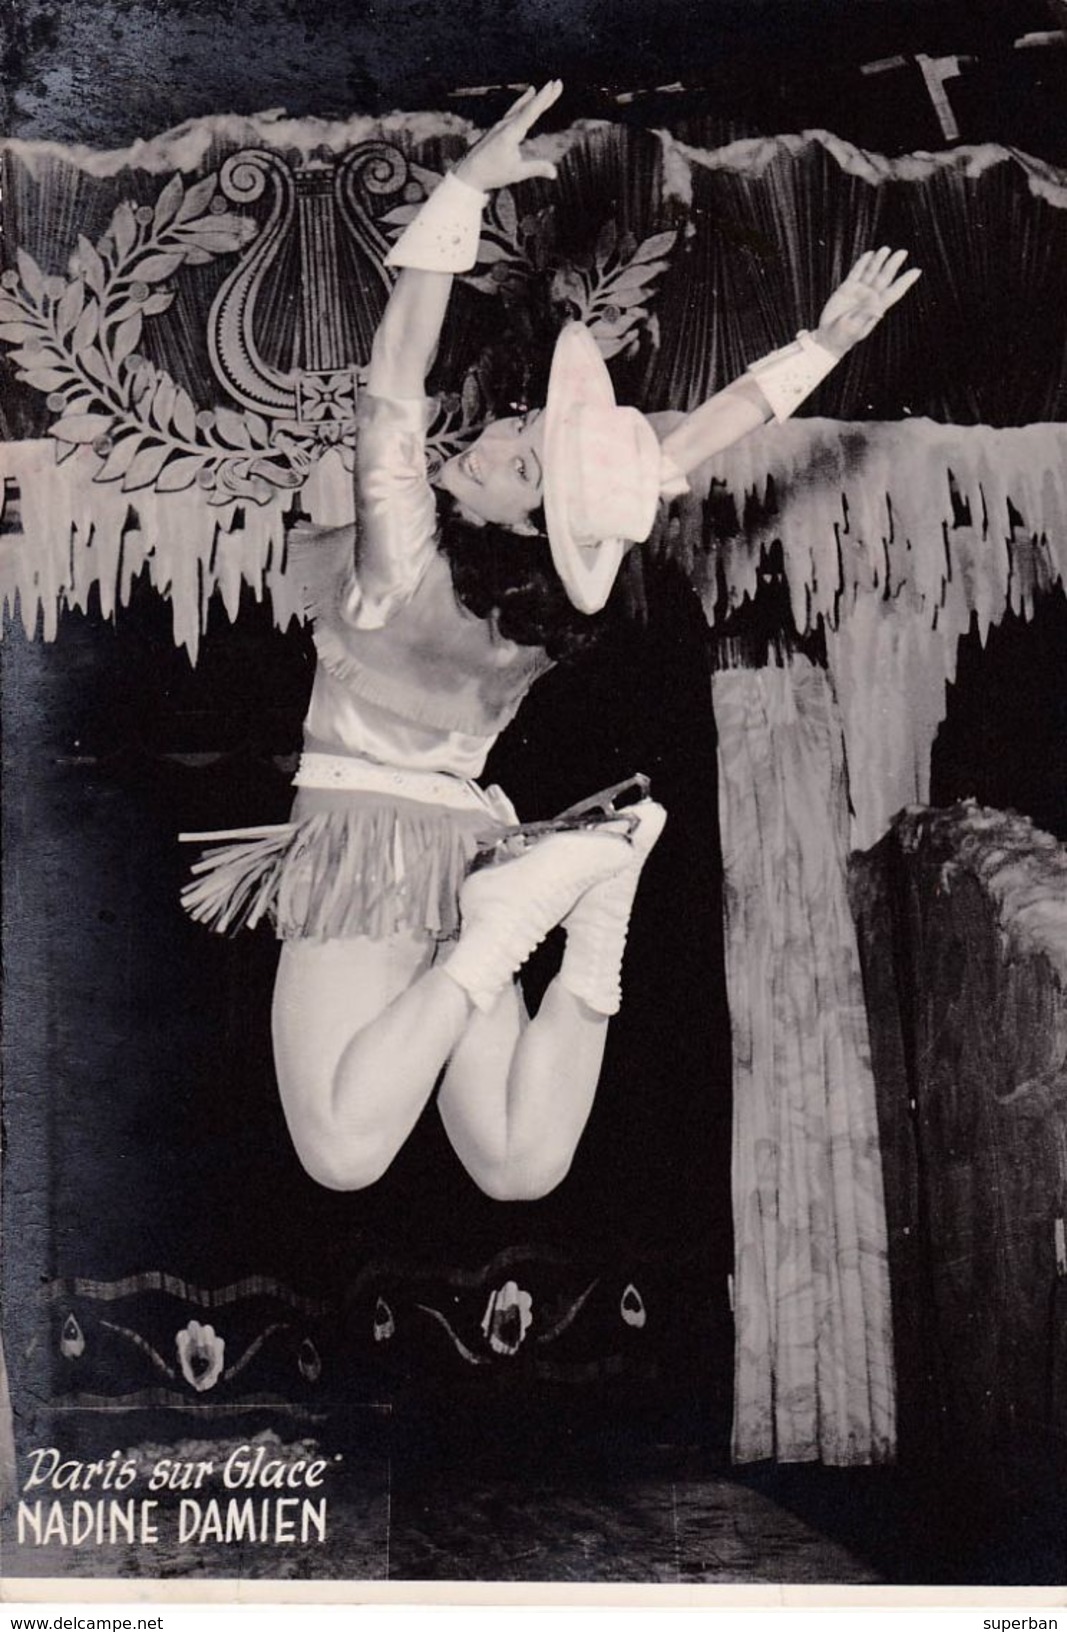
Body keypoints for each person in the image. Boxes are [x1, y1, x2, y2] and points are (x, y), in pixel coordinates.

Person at [182, 81, 920, 1200]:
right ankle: (588, 906)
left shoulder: (402, 562)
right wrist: (818, 342)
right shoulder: (552, 604)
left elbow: (391, 384)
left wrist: (459, 194)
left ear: (529, 522)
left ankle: (513, 926)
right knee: (521, 1164)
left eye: (521, 465)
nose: (494, 443)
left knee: (340, 1150)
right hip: (470, 844)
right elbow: (686, 454)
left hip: (365, 845)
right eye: (523, 431)